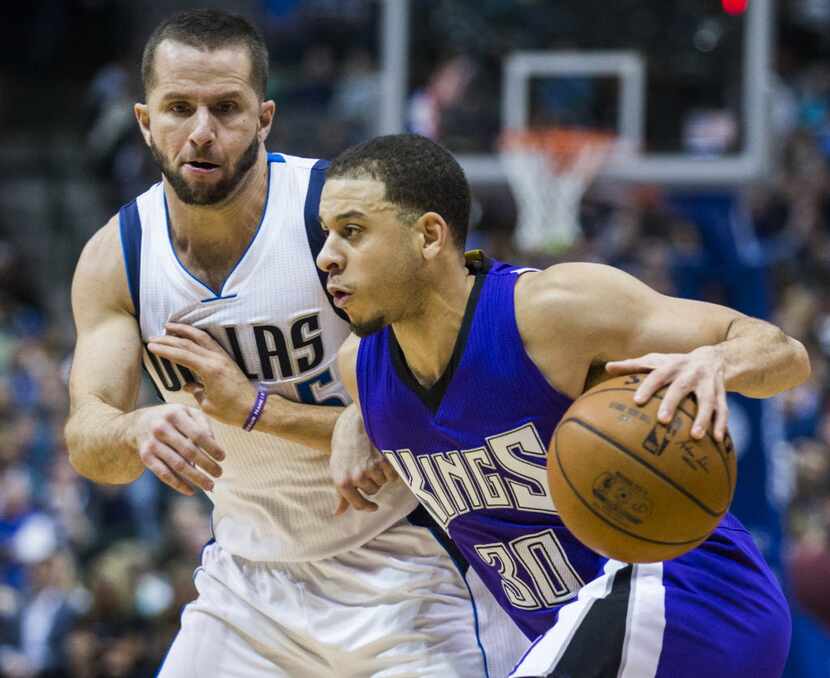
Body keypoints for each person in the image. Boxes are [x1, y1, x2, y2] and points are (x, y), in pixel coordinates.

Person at [65, 11, 527, 677]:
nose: (201, 131)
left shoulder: (337, 217)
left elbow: (443, 423)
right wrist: (135, 430)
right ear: (144, 122)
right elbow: (87, 438)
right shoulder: (117, 257)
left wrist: (266, 410)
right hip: (248, 584)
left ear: (265, 118)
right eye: (178, 108)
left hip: (409, 569)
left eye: (226, 108)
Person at [317, 133, 810, 678]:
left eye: (353, 232)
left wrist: (717, 363)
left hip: (687, 594)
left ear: (430, 236)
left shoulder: (551, 312)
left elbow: (784, 353)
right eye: (326, 235)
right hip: (589, 634)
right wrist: (350, 419)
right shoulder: (359, 370)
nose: (326, 257)